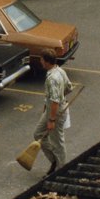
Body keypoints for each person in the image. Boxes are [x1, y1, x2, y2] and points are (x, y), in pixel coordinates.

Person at [33, 48, 73, 176]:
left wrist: (52, 119)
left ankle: (60, 169)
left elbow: (55, 101)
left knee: (57, 141)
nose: (40, 62)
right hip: (52, 108)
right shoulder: (59, 70)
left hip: (55, 111)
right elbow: (69, 87)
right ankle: (55, 160)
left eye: (42, 59)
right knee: (38, 134)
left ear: (46, 61)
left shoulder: (53, 78)